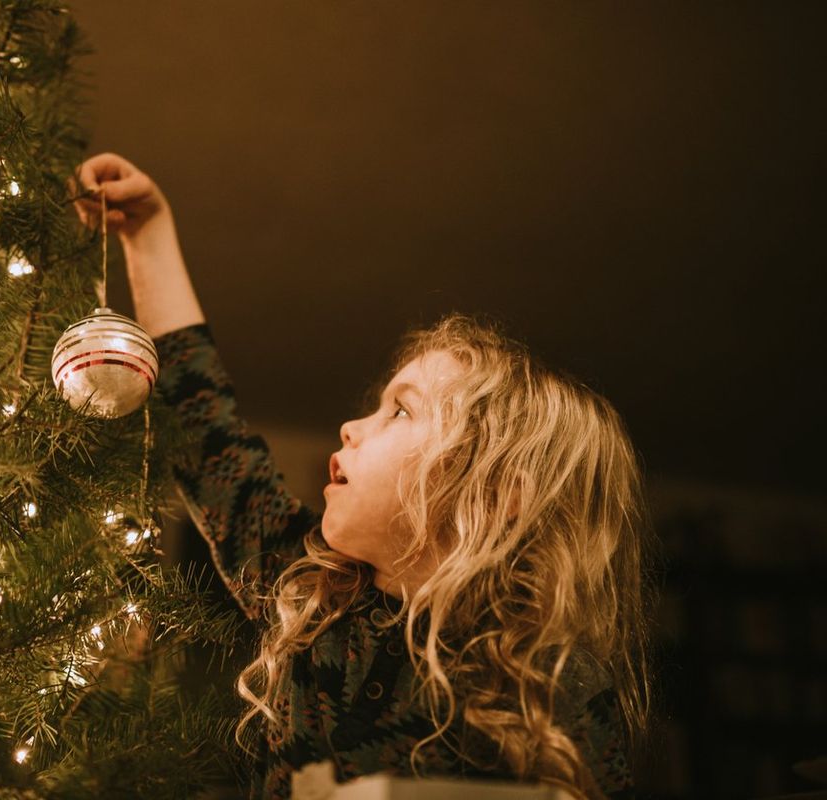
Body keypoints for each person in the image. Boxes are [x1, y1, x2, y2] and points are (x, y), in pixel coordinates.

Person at [72, 153, 652, 800]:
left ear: (492, 496)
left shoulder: (548, 685)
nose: (352, 427)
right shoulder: (307, 594)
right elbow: (207, 437)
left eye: (400, 410)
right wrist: (146, 233)